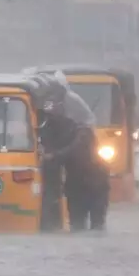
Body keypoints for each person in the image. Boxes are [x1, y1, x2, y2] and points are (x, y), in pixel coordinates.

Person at [38, 89, 109, 231]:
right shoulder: (54, 127)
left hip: (94, 184)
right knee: (77, 224)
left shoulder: (83, 132)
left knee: (96, 225)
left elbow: (75, 149)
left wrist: (54, 156)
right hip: (75, 185)